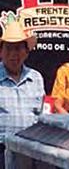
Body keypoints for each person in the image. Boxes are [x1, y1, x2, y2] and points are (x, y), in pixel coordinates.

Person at [0, 21, 44, 169]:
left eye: (18, 48)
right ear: (1, 52)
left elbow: (41, 115)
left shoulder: (36, 78)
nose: (13, 54)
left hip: (31, 153)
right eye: (8, 48)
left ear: (26, 52)